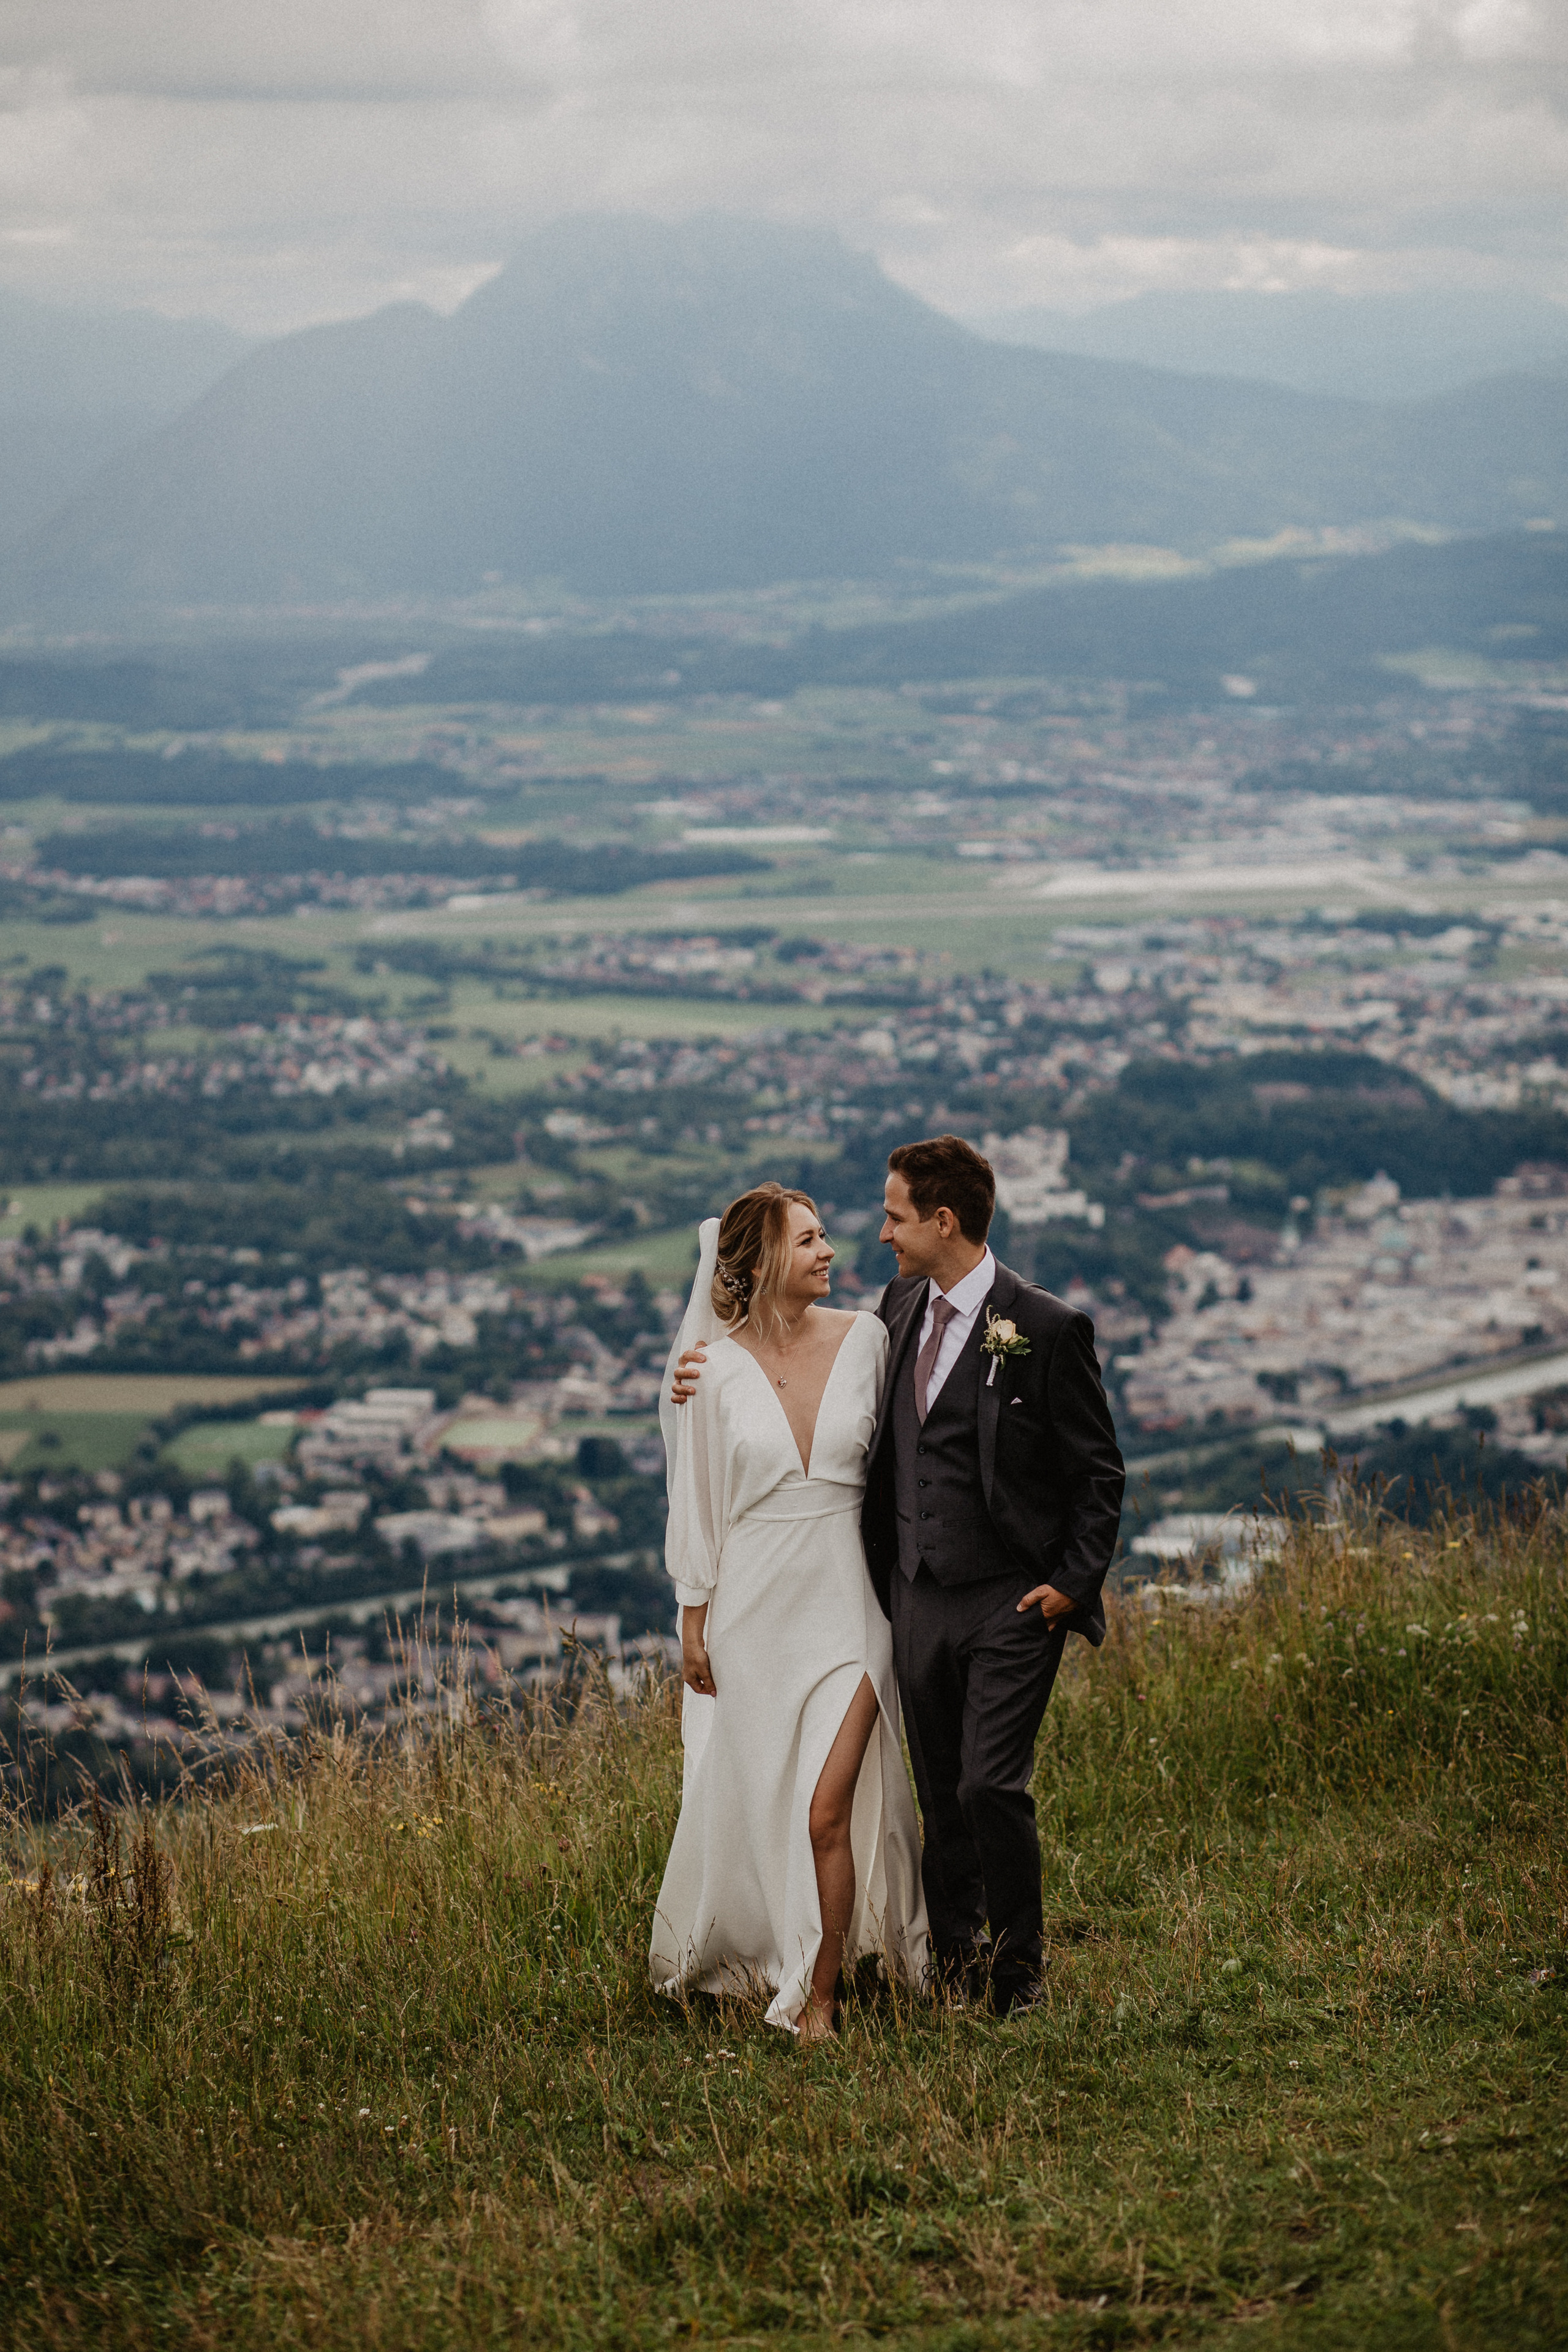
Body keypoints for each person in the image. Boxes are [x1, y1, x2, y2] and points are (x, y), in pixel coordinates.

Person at [673, 1134, 1124, 2017]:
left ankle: (1018, 1974)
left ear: (942, 1220)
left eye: (894, 1215)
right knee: (939, 1793)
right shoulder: (898, 1310)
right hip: (909, 1599)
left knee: (988, 1784)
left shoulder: (1041, 1326)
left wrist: (1074, 1582)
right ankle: (951, 1965)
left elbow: (1098, 1471)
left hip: (1004, 1600)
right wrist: (701, 1365)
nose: (877, 1234)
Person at [650, 1183, 928, 2044]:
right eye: (808, 1240)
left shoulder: (868, 1339)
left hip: (853, 1605)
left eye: (823, 1236)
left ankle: (822, 1997)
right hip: (753, 1611)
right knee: (768, 1799)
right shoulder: (712, 1369)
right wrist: (693, 1621)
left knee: (825, 1809)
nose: (829, 1251)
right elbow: (697, 1503)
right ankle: (773, 1946)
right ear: (764, 1260)